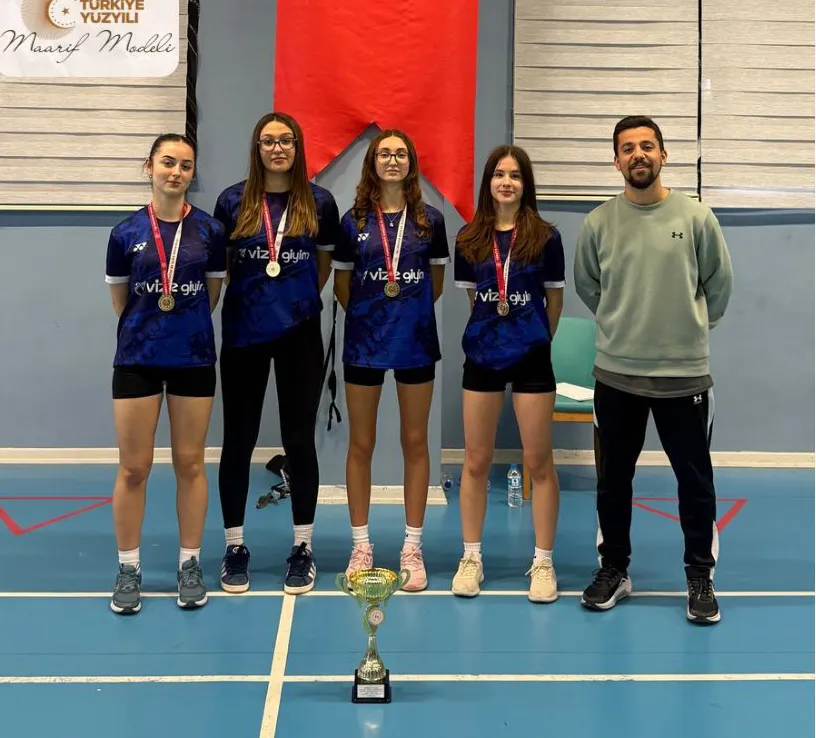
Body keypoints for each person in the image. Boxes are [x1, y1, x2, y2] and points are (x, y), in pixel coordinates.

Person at [573, 115, 733, 625]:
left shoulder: (696, 217)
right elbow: (588, 286)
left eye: (647, 146)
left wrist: (690, 328)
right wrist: (623, 325)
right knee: (613, 480)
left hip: (684, 376)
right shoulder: (599, 223)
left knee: (695, 481)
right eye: (627, 148)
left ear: (663, 155)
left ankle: (700, 576)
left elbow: (719, 285)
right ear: (616, 161)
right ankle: (614, 570)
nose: (637, 154)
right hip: (616, 375)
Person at [213, 112, 340, 595]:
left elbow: (322, 268)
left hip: (299, 334)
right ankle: (234, 546)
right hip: (244, 333)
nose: (277, 148)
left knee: (299, 440)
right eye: (268, 141)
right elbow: (223, 268)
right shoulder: (232, 201)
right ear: (257, 148)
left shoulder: (319, 202)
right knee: (238, 440)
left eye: (286, 140)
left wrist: (293, 302)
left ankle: (302, 546)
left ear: (298, 148)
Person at [104, 133, 227, 614]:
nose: (176, 172)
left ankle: (189, 564)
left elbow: (211, 295)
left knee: (190, 464)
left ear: (192, 173)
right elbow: (121, 302)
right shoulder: (125, 233)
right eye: (168, 163)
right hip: (137, 358)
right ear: (150, 167)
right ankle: (128, 568)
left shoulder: (210, 232)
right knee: (134, 467)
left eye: (185, 165)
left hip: (193, 358)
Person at [332, 129, 450, 591]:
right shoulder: (352, 222)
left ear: (411, 163)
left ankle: (412, 547)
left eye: (401, 153)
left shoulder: (431, 221)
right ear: (373, 164)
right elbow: (343, 286)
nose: (393, 160)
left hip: (415, 340)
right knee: (361, 443)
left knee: (415, 442)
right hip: (364, 342)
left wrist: (404, 313)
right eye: (385, 153)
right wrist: (372, 316)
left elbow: (434, 284)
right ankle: (361, 545)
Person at [451, 145, 565, 602]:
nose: (506, 182)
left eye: (515, 175)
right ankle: (471, 557)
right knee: (476, 461)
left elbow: (554, 302)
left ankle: (543, 561)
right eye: (499, 174)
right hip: (483, 354)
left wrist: (533, 338)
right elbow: (474, 301)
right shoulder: (468, 238)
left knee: (539, 461)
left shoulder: (547, 237)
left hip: (532, 355)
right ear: (488, 182)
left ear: (525, 185)